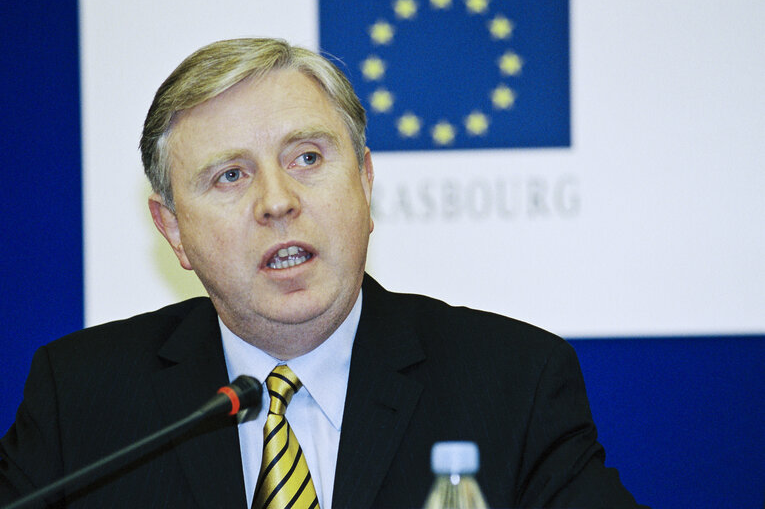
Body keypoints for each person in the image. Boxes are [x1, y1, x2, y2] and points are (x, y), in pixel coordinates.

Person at [0, 38, 647, 508]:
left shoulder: (512, 379)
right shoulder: (80, 396)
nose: (277, 201)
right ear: (173, 229)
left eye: (307, 157)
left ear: (364, 182)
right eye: (230, 175)